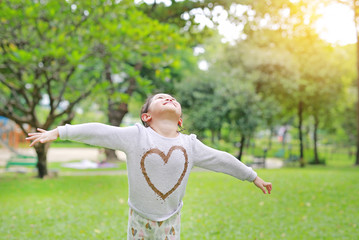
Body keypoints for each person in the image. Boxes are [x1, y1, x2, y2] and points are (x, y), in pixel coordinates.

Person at [27, 93, 272, 240]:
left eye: (173, 99)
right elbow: (99, 132)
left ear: (180, 119)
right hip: (139, 220)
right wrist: (60, 132)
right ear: (146, 116)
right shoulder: (136, 137)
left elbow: (222, 159)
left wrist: (252, 176)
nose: (169, 98)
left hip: (171, 221)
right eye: (161, 98)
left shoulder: (190, 145)